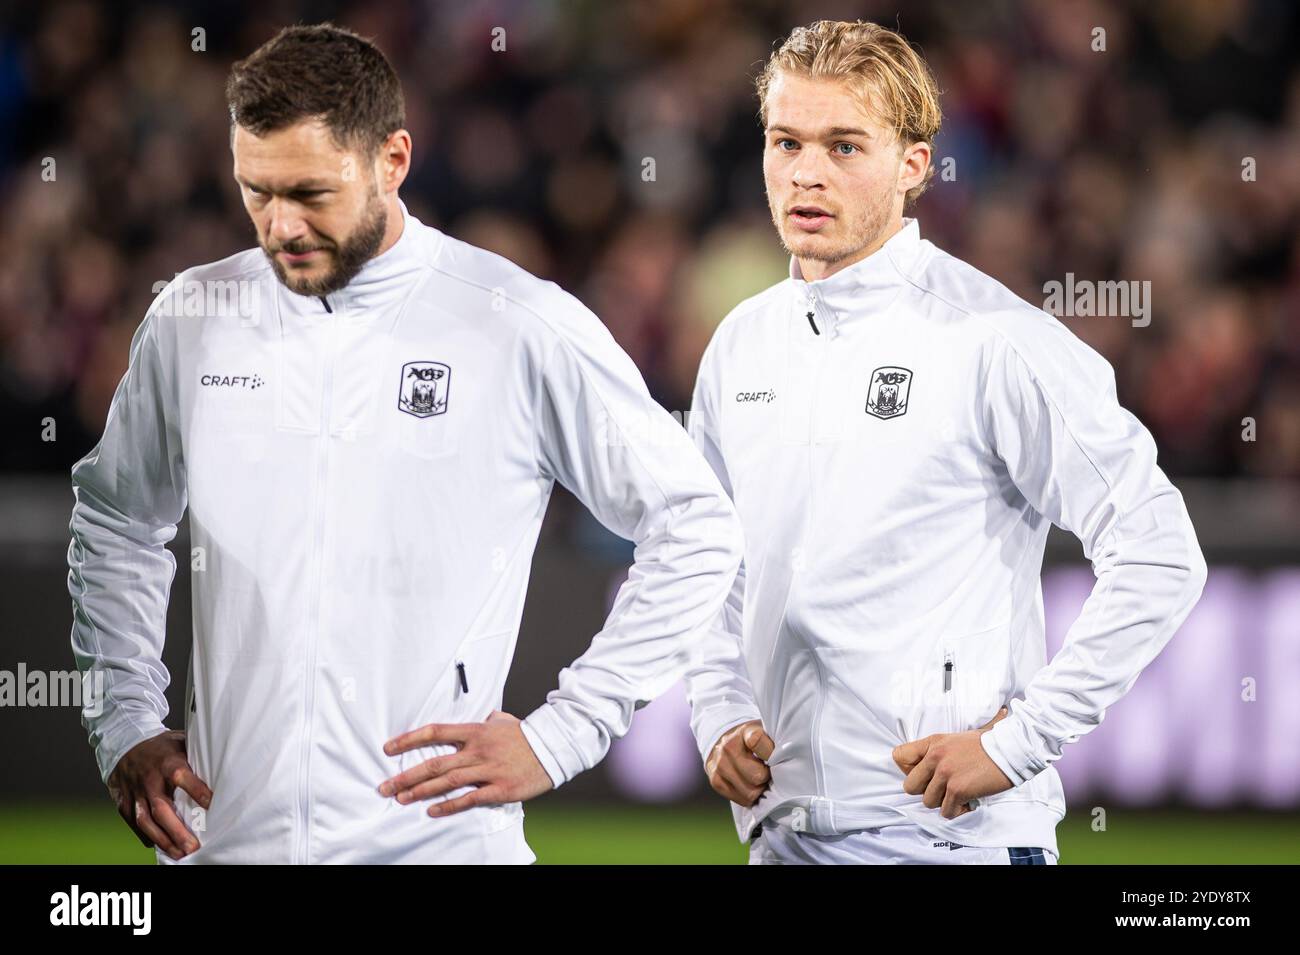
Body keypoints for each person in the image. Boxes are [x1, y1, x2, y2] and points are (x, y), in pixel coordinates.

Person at [67, 23, 743, 864]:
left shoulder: (515, 322)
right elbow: (115, 523)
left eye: (311, 192)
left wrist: (563, 734)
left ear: (394, 159)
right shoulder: (193, 320)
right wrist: (123, 718)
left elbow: (697, 525)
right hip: (226, 843)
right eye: (256, 191)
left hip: (439, 848)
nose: (280, 226)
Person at [683, 20, 1207, 865]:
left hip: (947, 845)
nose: (806, 173)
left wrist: (1016, 742)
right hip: (782, 841)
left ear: (915, 165)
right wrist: (718, 705)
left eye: (844, 146)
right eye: (787, 142)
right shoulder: (741, 343)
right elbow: (709, 556)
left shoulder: (994, 339)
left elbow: (1161, 552)